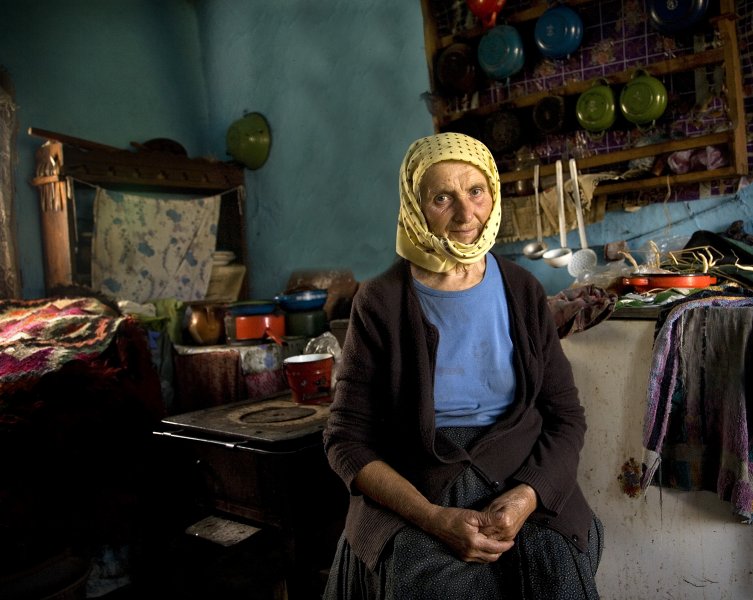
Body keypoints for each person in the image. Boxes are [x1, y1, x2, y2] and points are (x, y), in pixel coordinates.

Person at [322, 132, 602, 599]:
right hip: (417, 482)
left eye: (475, 191)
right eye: (442, 198)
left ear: (493, 192)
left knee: (555, 566)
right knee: (426, 579)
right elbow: (345, 440)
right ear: (414, 206)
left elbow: (565, 416)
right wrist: (433, 518)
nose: (466, 213)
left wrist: (527, 495)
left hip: (518, 468)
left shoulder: (523, 289)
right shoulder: (379, 300)